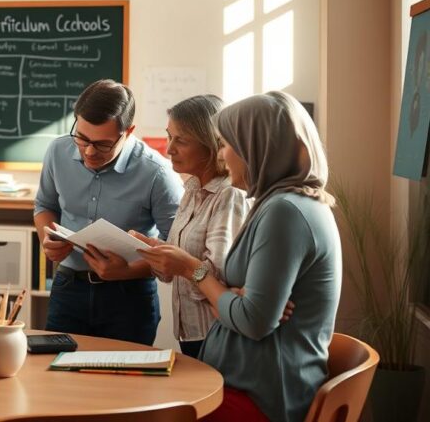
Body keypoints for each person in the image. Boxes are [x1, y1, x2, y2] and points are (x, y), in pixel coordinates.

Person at [135, 91, 341, 422]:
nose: (223, 156)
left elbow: (252, 320)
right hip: (242, 379)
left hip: (260, 392)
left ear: (255, 150)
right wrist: (230, 292)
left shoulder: (284, 212)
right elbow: (250, 308)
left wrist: (196, 272)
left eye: (227, 145)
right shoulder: (281, 204)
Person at [34, 79, 183, 344]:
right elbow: (45, 205)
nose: (89, 151)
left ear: (128, 131)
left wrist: (127, 271)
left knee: (125, 382)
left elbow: (177, 249)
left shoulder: (157, 173)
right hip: (68, 286)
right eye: (81, 138)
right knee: (57, 378)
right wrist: (47, 238)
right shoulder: (58, 151)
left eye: (103, 144)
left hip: (129, 297)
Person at [160, 95, 249, 358]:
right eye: (169, 137)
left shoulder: (228, 194)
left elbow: (222, 276)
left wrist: (180, 262)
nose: (169, 149)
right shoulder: (191, 189)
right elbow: (176, 268)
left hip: (215, 333)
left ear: (211, 146)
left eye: (181, 141)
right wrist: (153, 251)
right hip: (190, 332)